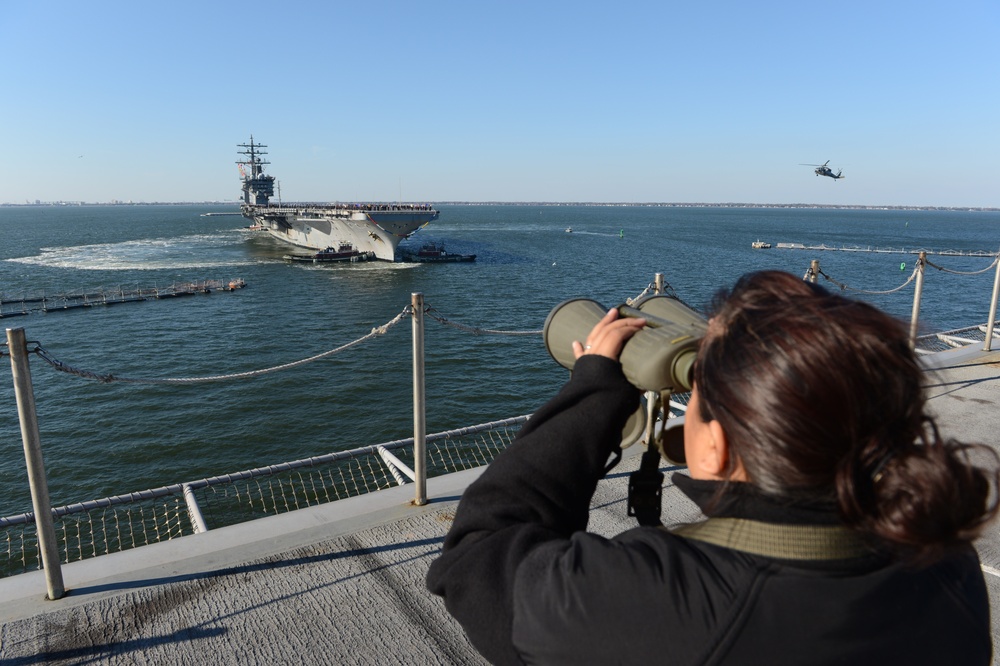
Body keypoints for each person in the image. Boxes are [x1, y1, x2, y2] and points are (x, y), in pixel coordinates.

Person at [426, 270, 999, 665]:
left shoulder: (648, 600)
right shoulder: (943, 564)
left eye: (697, 398)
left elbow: (478, 555)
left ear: (717, 446)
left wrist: (594, 390)